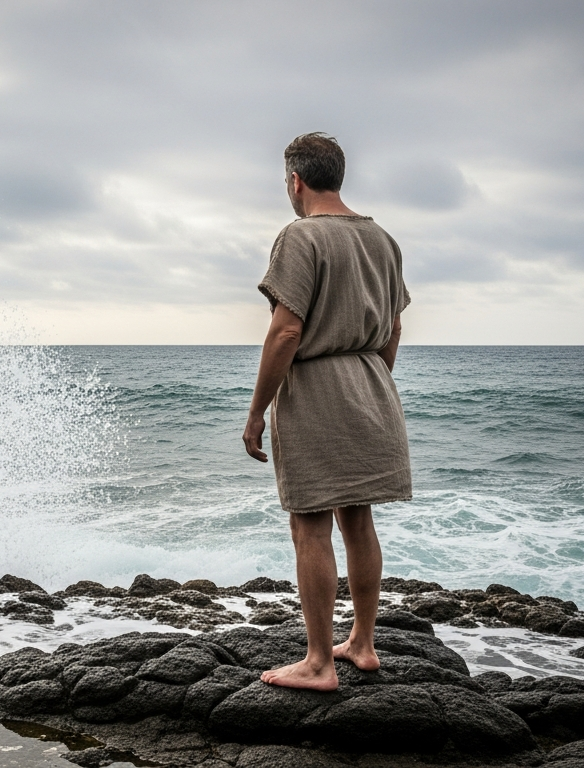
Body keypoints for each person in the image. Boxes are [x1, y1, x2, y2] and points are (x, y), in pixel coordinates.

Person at [241, 132, 412, 691]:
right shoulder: (382, 239)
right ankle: (363, 642)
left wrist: (257, 411)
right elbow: (393, 328)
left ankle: (318, 662)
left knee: (309, 524)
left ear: (296, 180)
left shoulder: (301, 236)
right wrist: (370, 379)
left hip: (316, 389)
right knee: (358, 519)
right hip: (372, 384)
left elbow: (286, 331)